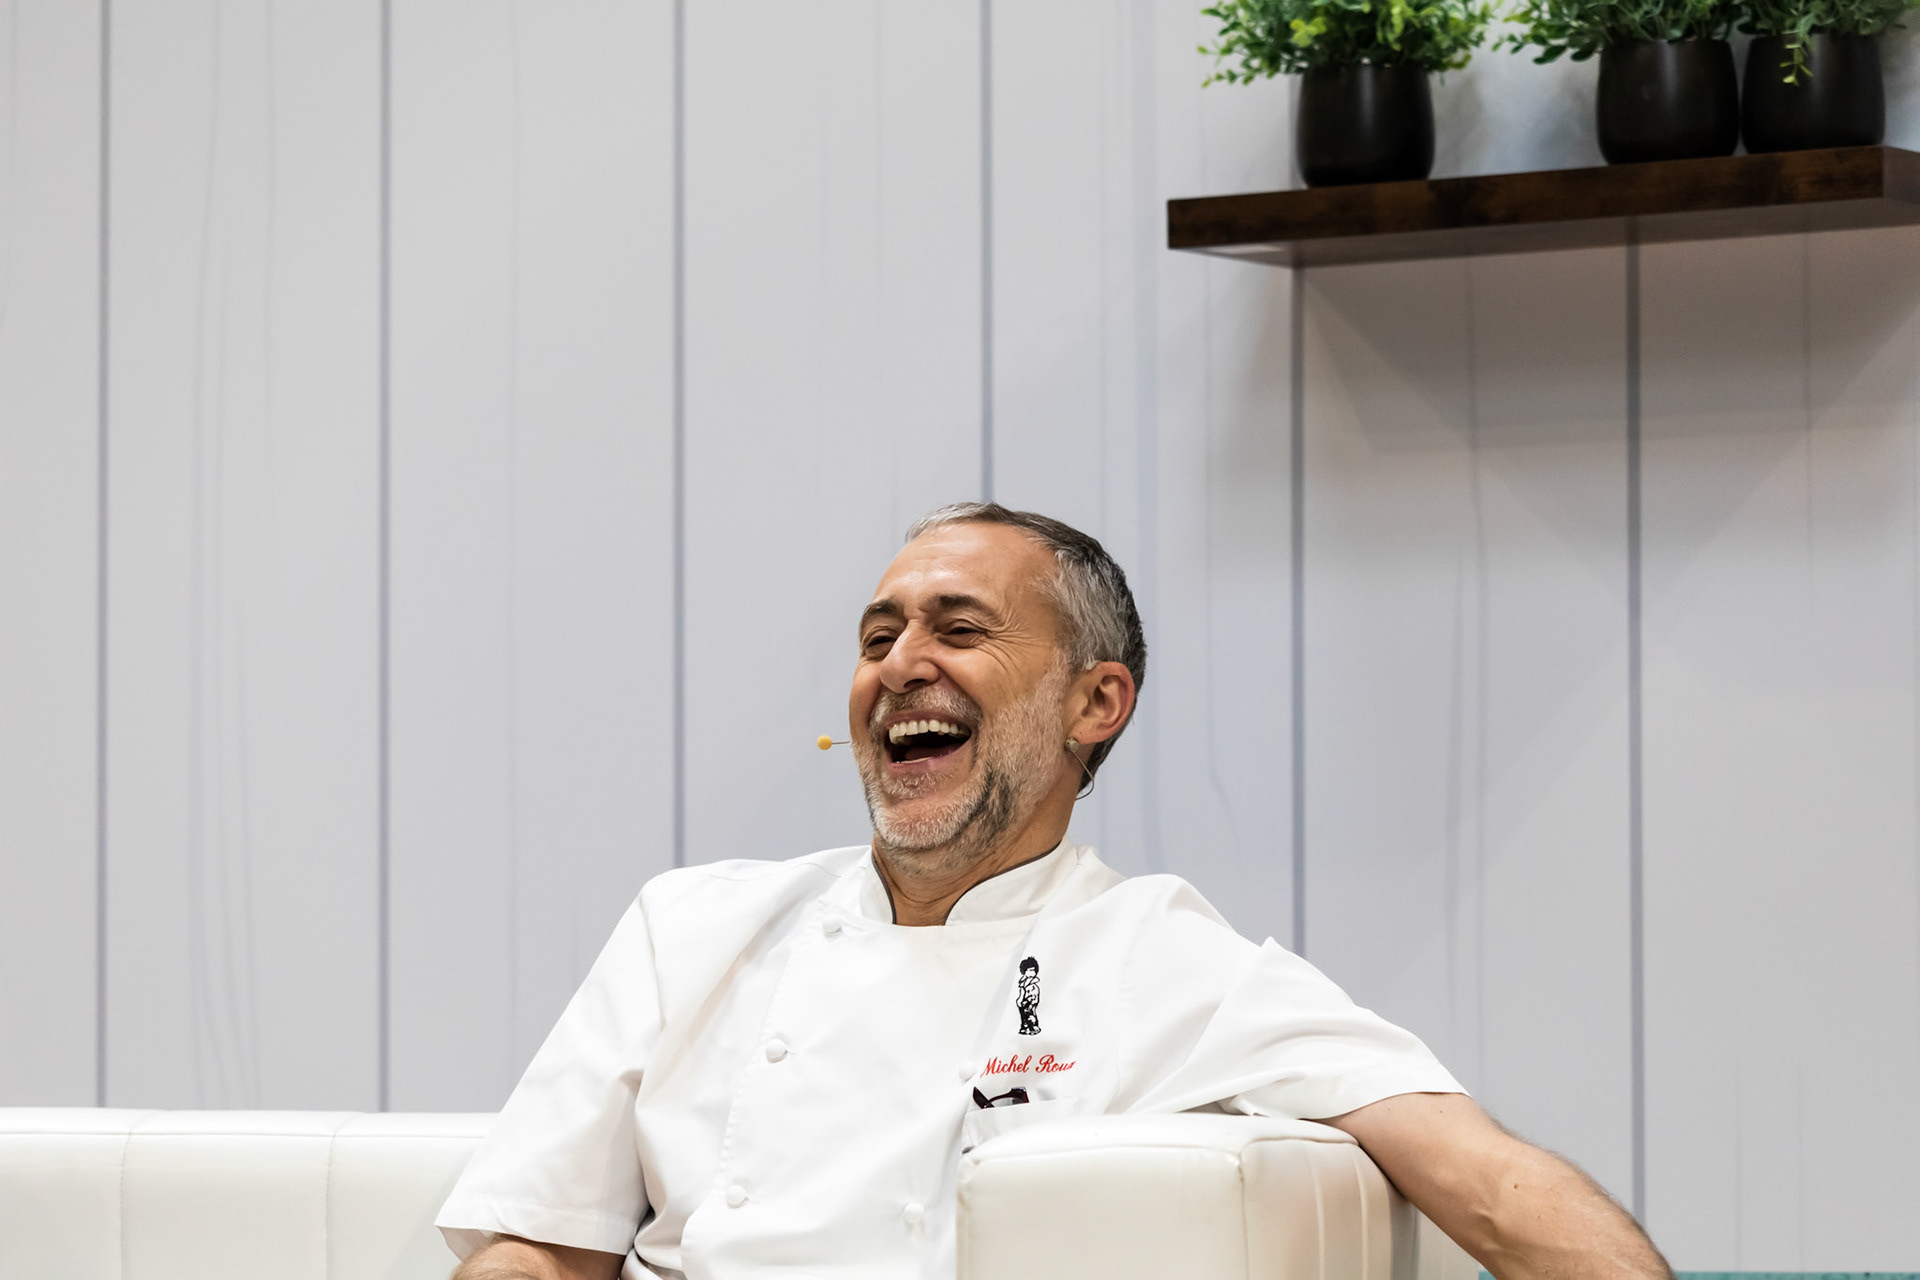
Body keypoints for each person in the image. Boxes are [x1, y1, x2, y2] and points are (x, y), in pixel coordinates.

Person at [437, 503, 1672, 1280]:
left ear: (1097, 702)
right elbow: (538, 1245)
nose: (901, 665)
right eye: (877, 639)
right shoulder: (688, 926)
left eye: (958, 628)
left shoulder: (1168, 959)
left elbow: (1493, 1181)